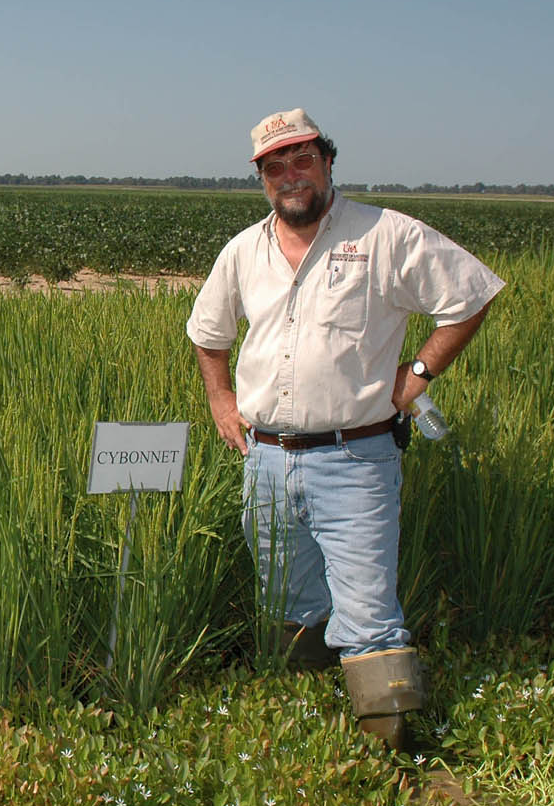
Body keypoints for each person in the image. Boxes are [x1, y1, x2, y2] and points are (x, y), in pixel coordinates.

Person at [186, 109, 504, 750]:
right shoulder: (244, 251)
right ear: (262, 179)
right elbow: (208, 334)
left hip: (355, 461)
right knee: (289, 598)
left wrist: (416, 375)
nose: (289, 175)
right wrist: (221, 401)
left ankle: (389, 754)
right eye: (275, 166)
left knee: (368, 614)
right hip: (267, 462)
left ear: (328, 161)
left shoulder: (385, 235)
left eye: (302, 158)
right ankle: (312, 722)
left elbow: (470, 295)